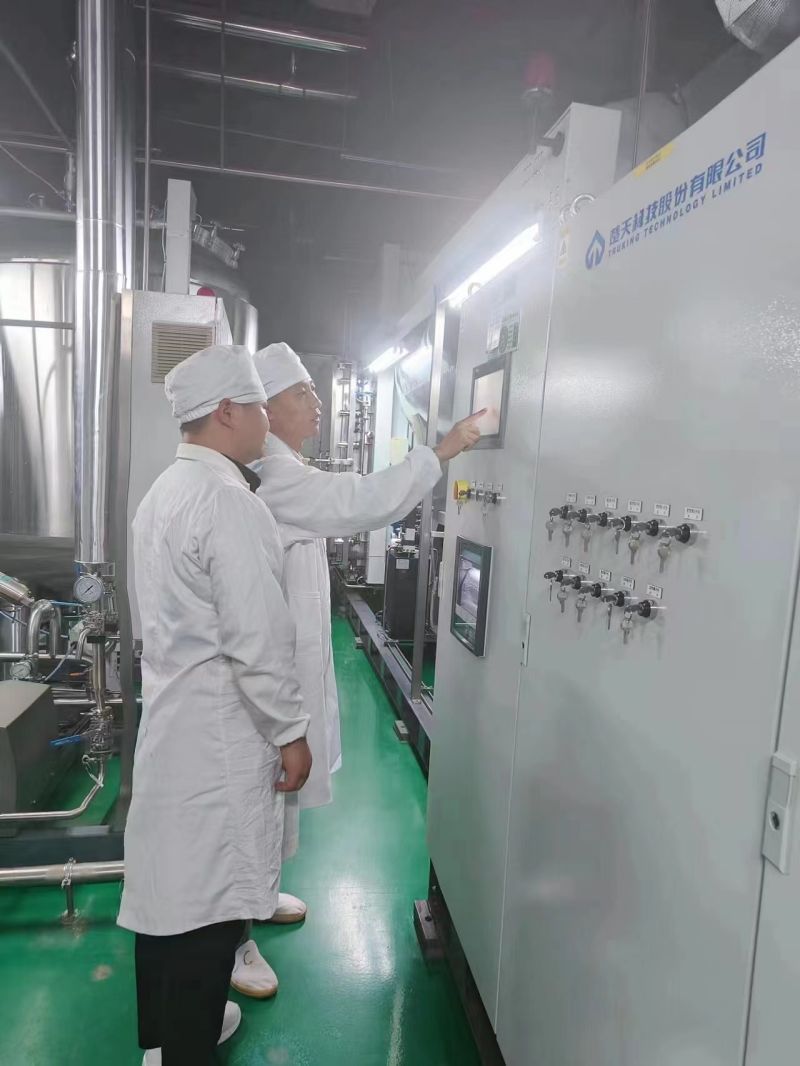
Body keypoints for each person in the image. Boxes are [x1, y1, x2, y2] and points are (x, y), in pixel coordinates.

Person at [226, 340, 483, 998]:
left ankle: (259, 897)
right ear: (265, 409)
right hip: (262, 681)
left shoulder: (284, 468)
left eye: (315, 391)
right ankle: (234, 943)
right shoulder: (272, 475)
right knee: (251, 803)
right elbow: (361, 500)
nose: (316, 403)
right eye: (302, 394)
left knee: (273, 799)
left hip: (286, 671)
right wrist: (439, 452)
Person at [117, 344, 312, 1066]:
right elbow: (258, 639)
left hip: (173, 719)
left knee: (167, 891)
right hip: (219, 733)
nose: (268, 419)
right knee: (209, 901)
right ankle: (187, 1050)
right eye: (259, 406)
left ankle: (165, 1040)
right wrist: (291, 731)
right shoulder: (229, 501)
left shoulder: (164, 492)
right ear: (228, 411)